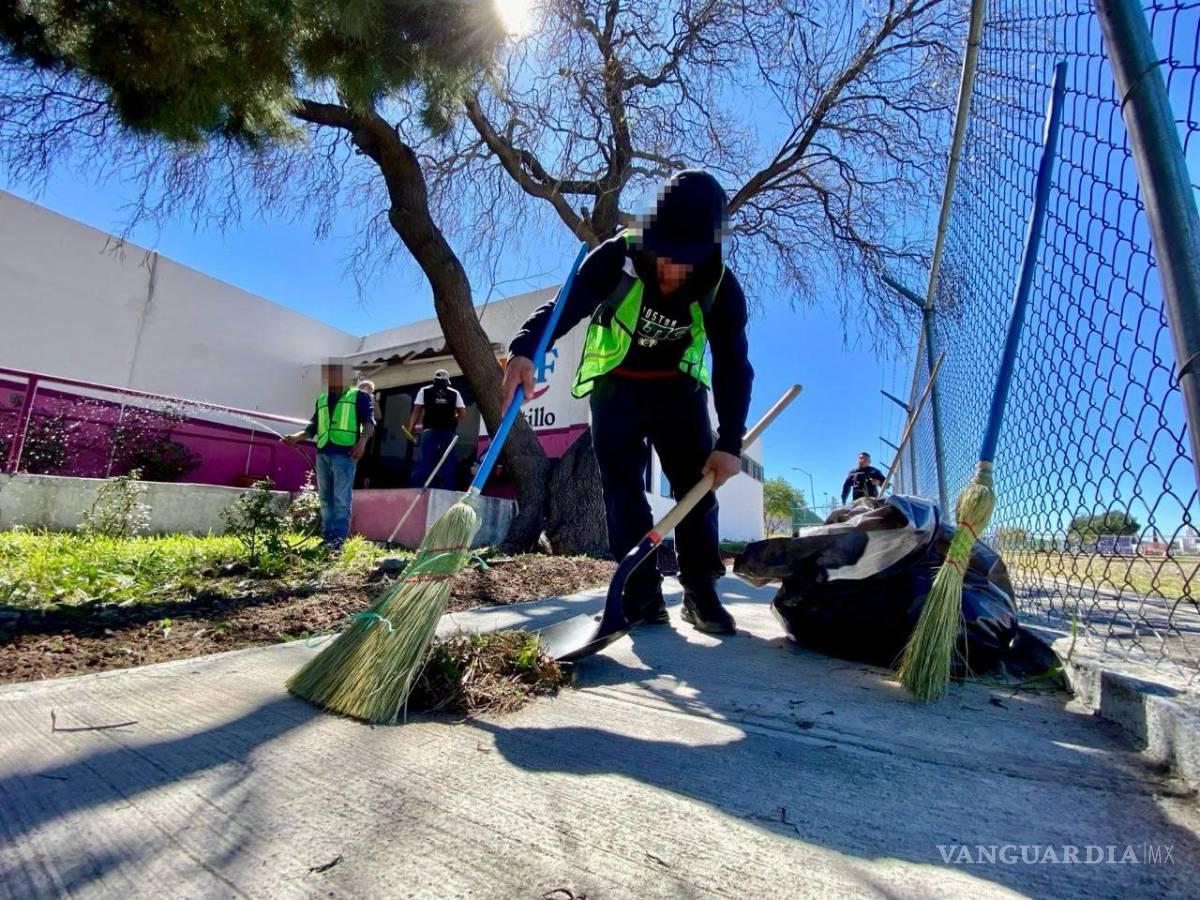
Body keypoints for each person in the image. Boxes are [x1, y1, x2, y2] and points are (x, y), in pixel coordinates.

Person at [502, 169, 753, 634]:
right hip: (616, 389)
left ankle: (700, 592)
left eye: (686, 260)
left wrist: (731, 442)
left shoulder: (722, 290)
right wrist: (523, 350)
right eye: (665, 254)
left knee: (696, 492)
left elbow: (734, 367)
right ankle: (640, 595)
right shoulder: (614, 259)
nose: (671, 269)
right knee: (622, 491)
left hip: (679, 393)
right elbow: (560, 309)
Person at [284, 361, 375, 549]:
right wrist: (296, 437)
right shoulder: (322, 399)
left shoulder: (360, 397)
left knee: (341, 497)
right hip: (323, 452)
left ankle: (337, 540)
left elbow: (369, 423)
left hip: (345, 452)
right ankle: (327, 537)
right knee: (325, 497)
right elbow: (313, 426)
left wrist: (362, 443)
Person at [407, 369, 465, 490]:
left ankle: (426, 488)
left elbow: (416, 411)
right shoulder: (454, 393)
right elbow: (462, 412)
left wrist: (410, 428)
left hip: (429, 431)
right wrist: (454, 422)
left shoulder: (424, 391)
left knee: (427, 460)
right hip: (448, 432)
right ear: (447, 381)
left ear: (434, 380)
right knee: (448, 462)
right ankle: (447, 489)